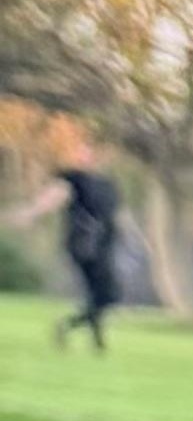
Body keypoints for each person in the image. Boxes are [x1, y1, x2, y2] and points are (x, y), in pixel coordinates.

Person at [7, 128, 127, 347]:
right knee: (107, 293)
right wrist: (29, 213)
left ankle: (93, 338)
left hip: (105, 243)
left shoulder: (108, 184)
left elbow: (116, 214)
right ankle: (70, 326)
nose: (85, 156)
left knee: (101, 293)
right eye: (82, 151)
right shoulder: (74, 178)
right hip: (85, 243)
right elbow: (53, 197)